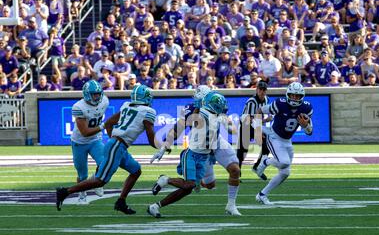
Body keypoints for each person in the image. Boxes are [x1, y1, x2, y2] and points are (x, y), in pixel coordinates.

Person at [56, 84, 160, 214]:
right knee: (100, 181)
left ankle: (121, 201)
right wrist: (163, 146)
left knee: (135, 171)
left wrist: (113, 139)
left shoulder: (127, 105)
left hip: (117, 145)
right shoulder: (149, 112)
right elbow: (152, 140)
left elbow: (109, 122)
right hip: (115, 146)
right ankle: (65, 191)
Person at [154, 85, 241, 216]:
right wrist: (163, 147)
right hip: (200, 148)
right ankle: (196, 180)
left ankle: (231, 205)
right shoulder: (191, 110)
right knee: (210, 185)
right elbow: (176, 130)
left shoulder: (215, 104)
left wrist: (229, 126)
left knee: (235, 170)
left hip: (217, 143)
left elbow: (232, 128)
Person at [254, 82, 313, 204]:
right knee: (284, 162)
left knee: (286, 172)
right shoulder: (280, 104)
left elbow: (309, 132)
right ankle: (266, 161)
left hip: (287, 141)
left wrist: (306, 126)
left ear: (302, 96)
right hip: (274, 136)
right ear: (288, 95)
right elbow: (260, 110)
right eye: (292, 95)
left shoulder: (306, 108)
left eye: (297, 96)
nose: (294, 98)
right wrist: (259, 127)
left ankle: (262, 194)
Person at [70, 81, 108, 203]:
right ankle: (82, 194)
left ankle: (96, 181)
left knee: (104, 163)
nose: (97, 97)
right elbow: (85, 132)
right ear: (87, 94)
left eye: (98, 94)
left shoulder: (105, 101)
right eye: (94, 94)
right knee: (82, 175)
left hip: (95, 140)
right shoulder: (79, 107)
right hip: (79, 142)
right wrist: (103, 126)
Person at [236, 80, 271, 181]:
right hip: (246, 125)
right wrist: (260, 129)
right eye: (260, 89)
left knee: (266, 147)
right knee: (242, 150)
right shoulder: (252, 101)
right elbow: (251, 119)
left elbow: (262, 116)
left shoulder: (267, 100)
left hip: (256, 124)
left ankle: (257, 167)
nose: (262, 91)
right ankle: (236, 173)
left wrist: (265, 121)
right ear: (256, 89)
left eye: (264, 90)